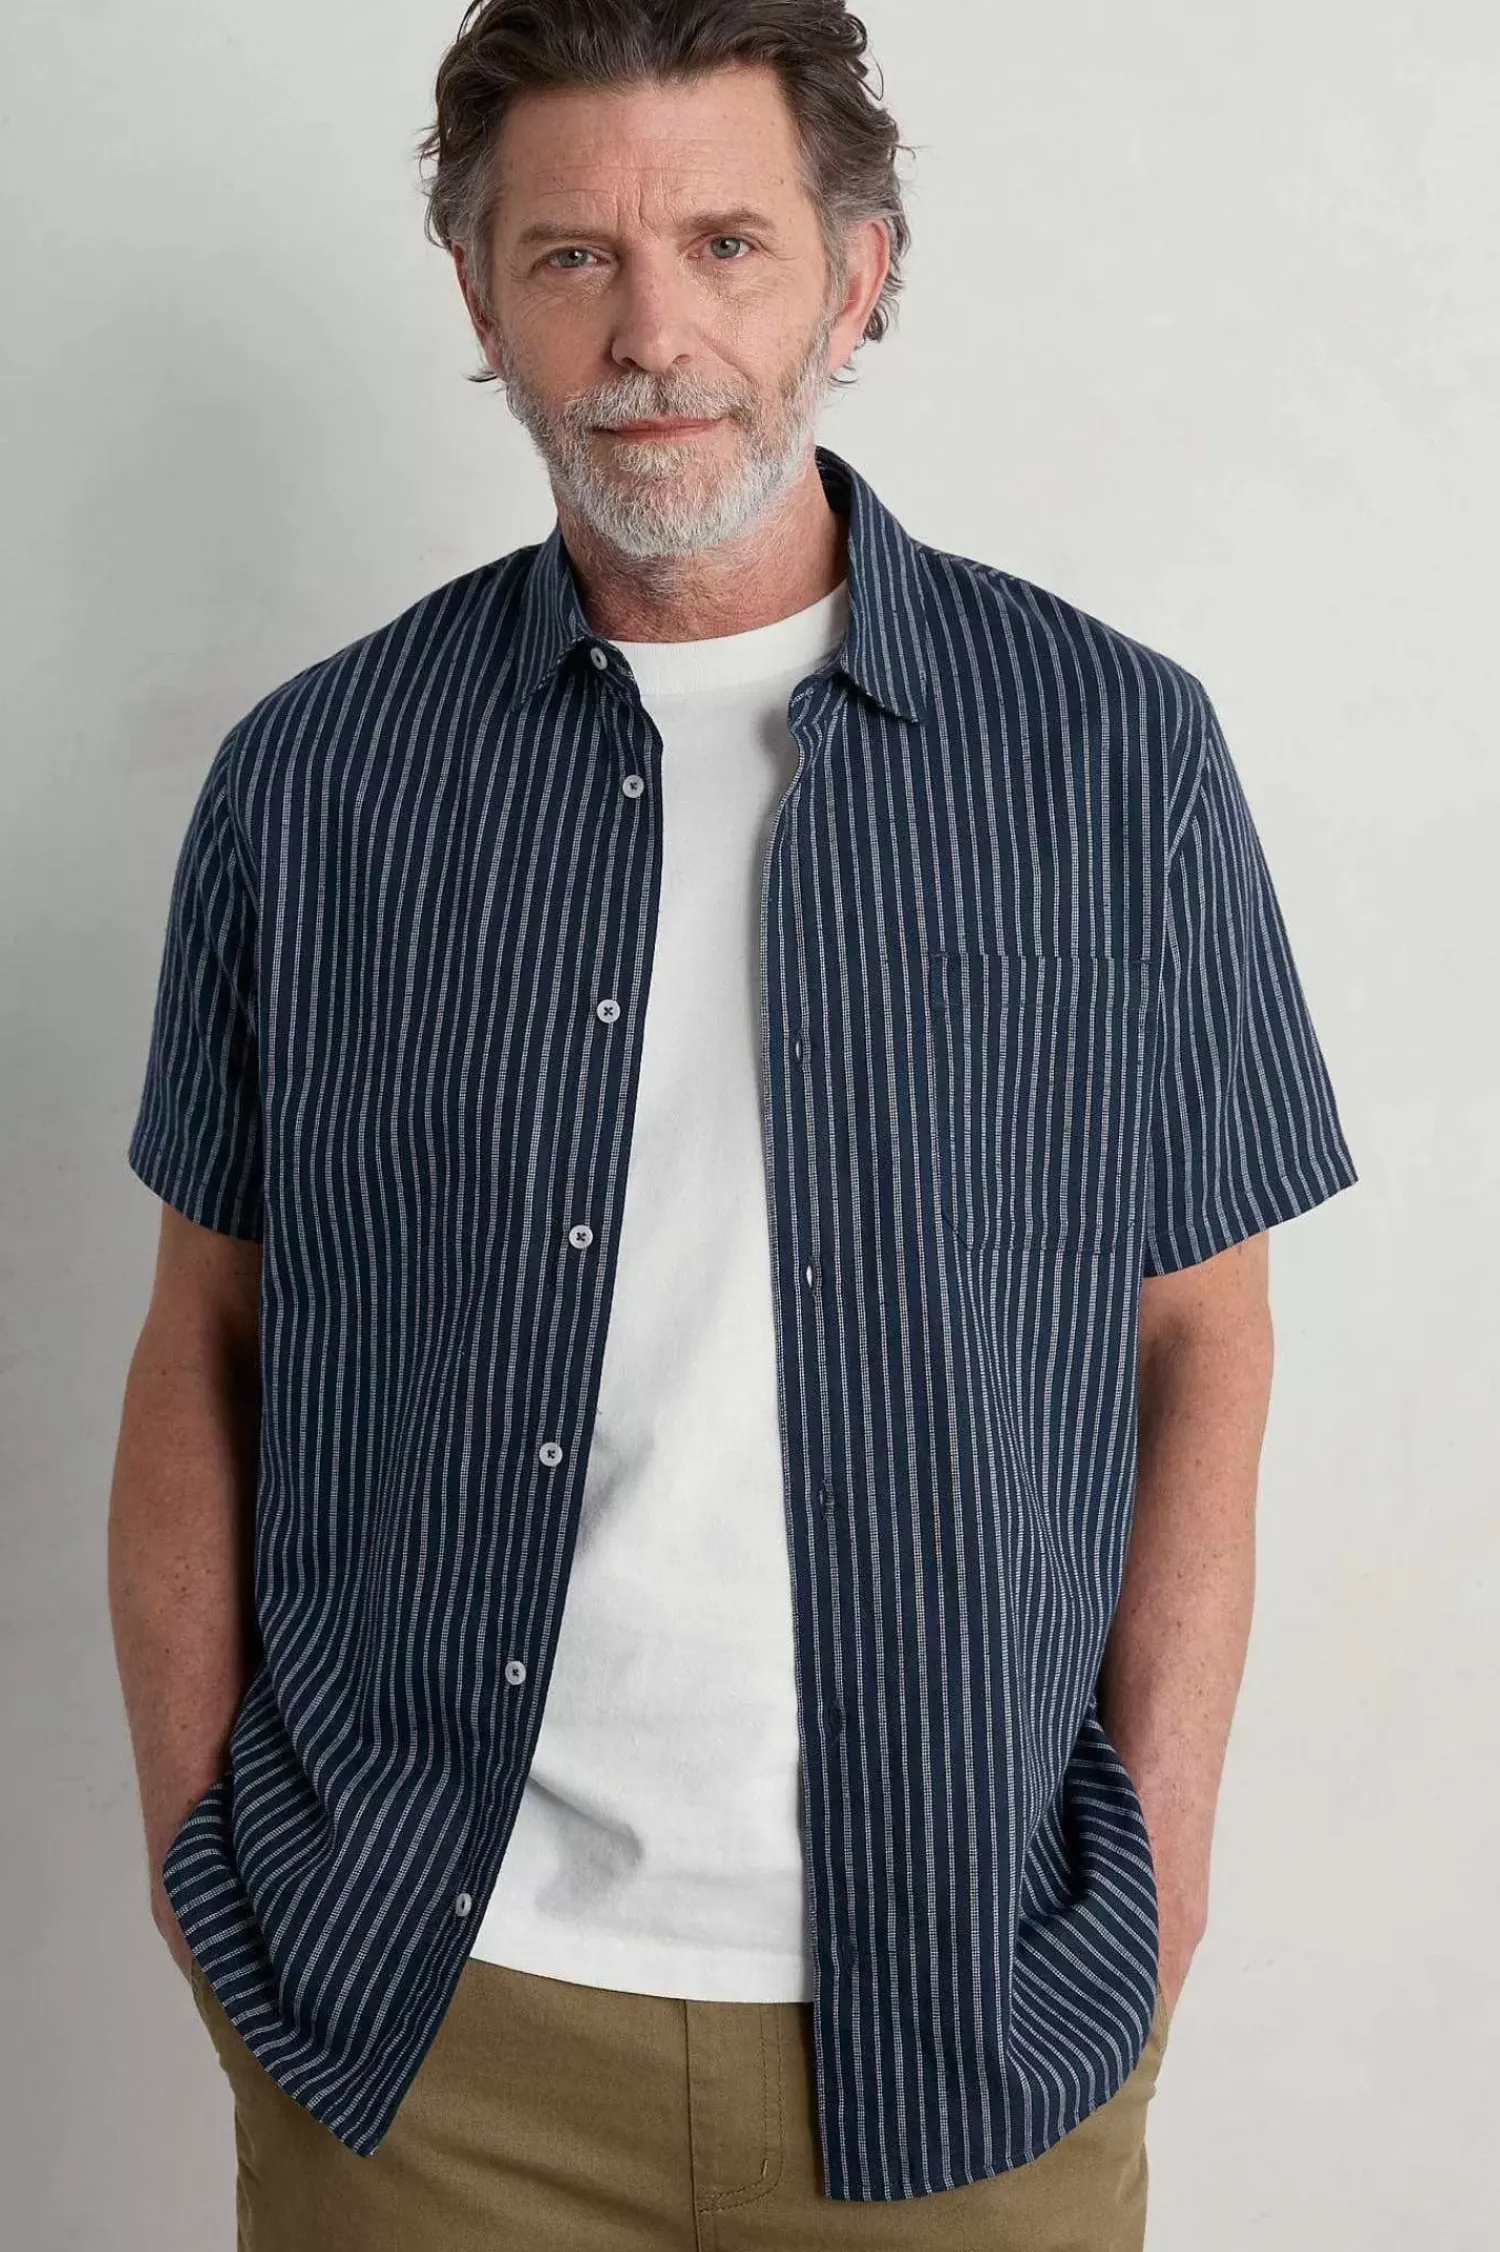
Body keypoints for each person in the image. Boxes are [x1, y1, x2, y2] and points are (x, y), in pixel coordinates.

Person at [108, 2, 1358, 2244]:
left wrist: (1155, 1876)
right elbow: (211, 1327)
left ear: (857, 275)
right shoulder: (318, 786)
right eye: (572, 255)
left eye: (726, 243)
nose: (653, 334)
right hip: (419, 2038)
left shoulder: (1111, 761)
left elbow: (1204, 1338)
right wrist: (205, 1858)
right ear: (479, 293)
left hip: (968, 2027)